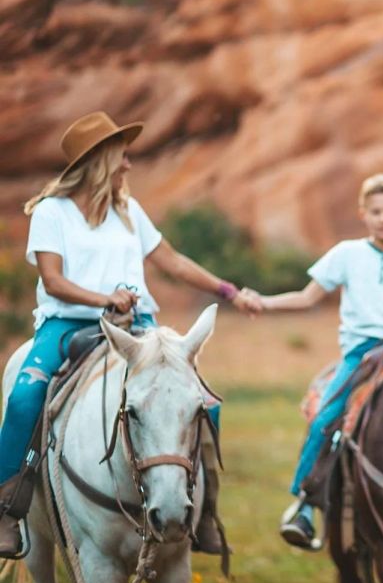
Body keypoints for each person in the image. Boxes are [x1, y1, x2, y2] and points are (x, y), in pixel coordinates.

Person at [0, 111, 261, 559]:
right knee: (24, 398)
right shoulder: (51, 213)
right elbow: (54, 280)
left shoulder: (128, 211)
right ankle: (7, 511)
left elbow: (174, 262)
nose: (128, 164)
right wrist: (104, 298)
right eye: (122, 155)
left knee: (204, 400)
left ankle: (204, 511)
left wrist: (227, 290)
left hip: (137, 327)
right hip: (67, 324)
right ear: (100, 159)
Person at [249, 173, 383, 549]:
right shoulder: (346, 254)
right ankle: (305, 504)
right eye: (376, 212)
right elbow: (307, 298)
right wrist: (264, 301)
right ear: (363, 214)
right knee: (326, 416)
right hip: (362, 351)